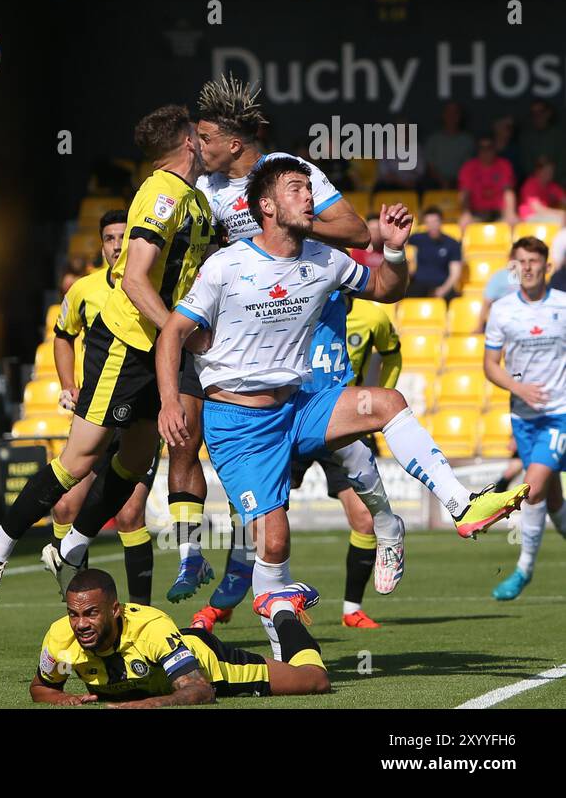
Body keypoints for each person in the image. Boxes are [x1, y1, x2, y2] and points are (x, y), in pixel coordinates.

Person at [155, 157, 529, 661]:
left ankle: (462, 507)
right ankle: (285, 647)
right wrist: (167, 403)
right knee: (275, 543)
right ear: (265, 205)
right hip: (240, 426)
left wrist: (394, 253)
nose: (309, 197)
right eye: (295, 189)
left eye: (309, 189)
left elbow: (385, 290)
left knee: (387, 401)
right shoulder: (226, 266)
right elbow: (173, 333)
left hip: (299, 405)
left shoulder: (325, 259)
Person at [0, 104, 215, 614]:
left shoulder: (194, 199)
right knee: (79, 459)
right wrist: (180, 332)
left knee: (132, 461)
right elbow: (134, 277)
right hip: (126, 345)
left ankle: (73, 545)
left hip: (156, 351)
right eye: (203, 133)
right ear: (189, 141)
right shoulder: (163, 194)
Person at [177, 76, 371, 605]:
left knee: (351, 464)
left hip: (304, 331)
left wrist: (293, 229)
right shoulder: (205, 192)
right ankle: (199, 563)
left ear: (233, 144)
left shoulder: (289, 175)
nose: (197, 147)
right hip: (239, 345)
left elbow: (356, 232)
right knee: (205, 455)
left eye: (206, 138)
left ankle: (392, 531)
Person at [194, 294, 406, 633]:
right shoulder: (293, 297)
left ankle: (353, 608)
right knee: (259, 521)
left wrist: (375, 401)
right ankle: (225, 600)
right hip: (289, 417)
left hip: (335, 418)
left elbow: (393, 353)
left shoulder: (372, 315)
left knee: (365, 518)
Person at [46, 209, 158, 604]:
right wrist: (67, 384)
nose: (116, 245)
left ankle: (143, 616)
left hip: (138, 420)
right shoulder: (84, 290)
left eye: (123, 237)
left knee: (129, 516)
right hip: (95, 417)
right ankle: (75, 603)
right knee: (64, 508)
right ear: (101, 243)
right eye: (109, 238)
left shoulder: (153, 287)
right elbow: (62, 335)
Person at [29, 569, 329, 707]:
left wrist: (148, 704)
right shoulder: (60, 637)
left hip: (209, 662)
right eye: (73, 614)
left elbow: (201, 691)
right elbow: (41, 687)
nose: (80, 624)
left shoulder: (151, 628)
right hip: (171, 654)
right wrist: (63, 697)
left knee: (315, 681)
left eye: (91, 613)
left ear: (115, 610)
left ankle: (282, 608)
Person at [483, 237, 566, 600]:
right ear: (512, 267)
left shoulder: (563, 306)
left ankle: (523, 569)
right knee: (554, 501)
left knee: (531, 490)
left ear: (547, 266)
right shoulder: (501, 310)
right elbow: (489, 365)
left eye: (535, 261)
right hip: (523, 417)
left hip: (559, 415)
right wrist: (520, 390)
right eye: (522, 262)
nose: (529, 268)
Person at [458, 134, 516, 225]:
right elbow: (465, 193)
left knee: (514, 223)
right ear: (478, 150)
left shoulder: (504, 165)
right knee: (464, 224)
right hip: (476, 214)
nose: (486, 151)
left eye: (489, 147)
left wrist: (510, 212)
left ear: (494, 149)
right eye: (482, 148)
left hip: (499, 213)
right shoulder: (468, 167)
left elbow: (508, 192)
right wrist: (466, 213)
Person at [406, 207, 463, 299]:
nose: (432, 225)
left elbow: (455, 273)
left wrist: (443, 290)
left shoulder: (452, 244)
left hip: (442, 284)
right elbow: (399, 244)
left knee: (454, 301)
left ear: (441, 222)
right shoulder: (418, 238)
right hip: (419, 284)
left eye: (435, 221)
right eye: (428, 222)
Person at [422, 101, 476, 190]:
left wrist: (454, 182)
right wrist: (442, 181)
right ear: (443, 115)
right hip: (435, 183)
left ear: (460, 116)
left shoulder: (467, 140)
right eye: (448, 112)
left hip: (460, 183)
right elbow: (429, 166)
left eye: (455, 113)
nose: (452, 116)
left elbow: (468, 166)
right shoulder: (434, 139)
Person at [521, 99, 566, 182]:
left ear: (548, 113)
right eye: (534, 113)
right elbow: (527, 166)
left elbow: (563, 164)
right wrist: (540, 176)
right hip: (536, 183)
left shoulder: (560, 136)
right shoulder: (527, 138)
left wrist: (550, 175)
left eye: (541, 112)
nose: (537, 116)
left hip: (560, 183)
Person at [518, 156, 566, 224]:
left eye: (551, 170)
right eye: (546, 170)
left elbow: (564, 199)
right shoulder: (530, 185)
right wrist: (561, 213)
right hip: (529, 218)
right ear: (538, 171)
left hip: (545, 217)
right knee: (561, 220)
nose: (550, 173)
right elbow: (538, 209)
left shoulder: (552, 186)